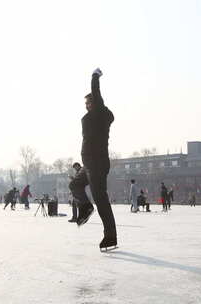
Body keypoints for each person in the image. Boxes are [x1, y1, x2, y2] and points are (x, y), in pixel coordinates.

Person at [76, 68, 117, 251]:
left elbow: (96, 93)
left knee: (101, 199)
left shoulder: (99, 114)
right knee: (75, 185)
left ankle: (110, 236)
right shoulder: (93, 116)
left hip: (97, 163)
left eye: (89, 102)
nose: (86, 105)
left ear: (96, 102)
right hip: (89, 163)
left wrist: (94, 76)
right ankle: (86, 207)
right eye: (85, 103)